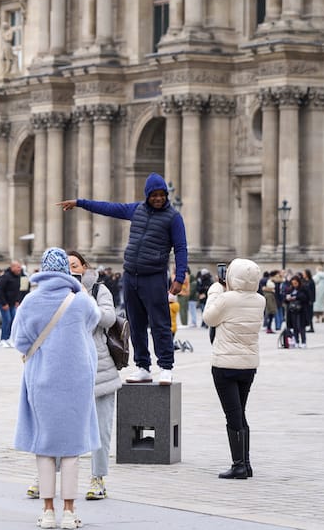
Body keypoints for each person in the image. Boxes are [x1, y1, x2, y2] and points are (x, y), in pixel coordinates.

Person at [58, 172, 188, 385]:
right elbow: (108, 208)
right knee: (135, 324)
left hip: (154, 276)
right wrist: (80, 203)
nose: (158, 198)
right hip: (131, 275)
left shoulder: (173, 217)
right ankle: (143, 366)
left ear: (166, 195)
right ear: (147, 195)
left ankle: (165, 367)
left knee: (160, 323)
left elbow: (181, 248)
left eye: (161, 195)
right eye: (153, 195)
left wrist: (179, 277)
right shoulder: (136, 210)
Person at [12, 248, 100, 530]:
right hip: (77, 382)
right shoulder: (80, 301)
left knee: (46, 448)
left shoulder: (30, 301)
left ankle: (48, 511)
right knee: (72, 450)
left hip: (42, 380)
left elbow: (20, 342)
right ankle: (71, 513)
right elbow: (94, 322)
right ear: (66, 270)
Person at [203, 259, 265, 479]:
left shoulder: (225, 299)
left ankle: (238, 464)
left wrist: (214, 292)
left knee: (232, 415)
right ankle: (246, 463)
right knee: (241, 412)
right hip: (248, 366)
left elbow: (209, 318)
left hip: (225, 365)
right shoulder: (260, 300)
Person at [71, 250, 119, 501]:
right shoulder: (57, 292)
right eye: (67, 266)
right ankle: (48, 476)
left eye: (75, 265)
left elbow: (109, 318)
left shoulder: (99, 290)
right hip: (69, 367)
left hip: (100, 366)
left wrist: (85, 296)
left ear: (84, 267)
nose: (72, 270)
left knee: (101, 428)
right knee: (63, 426)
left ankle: (98, 478)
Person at [0, 260, 23, 347]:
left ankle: (9, 338)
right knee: (7, 320)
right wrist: (4, 303)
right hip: (4, 303)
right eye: (18, 267)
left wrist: (17, 301)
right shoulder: (5, 277)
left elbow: (17, 290)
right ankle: (3, 339)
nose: (20, 268)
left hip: (12, 303)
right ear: (12, 267)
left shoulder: (18, 277)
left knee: (13, 321)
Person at [284, 275, 309, 348]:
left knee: (301, 327)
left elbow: (306, 298)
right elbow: (285, 299)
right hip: (292, 310)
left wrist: (296, 297)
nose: (294, 285)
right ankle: (296, 341)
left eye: (295, 283)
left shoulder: (303, 288)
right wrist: (288, 298)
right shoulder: (290, 289)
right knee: (294, 326)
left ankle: (303, 342)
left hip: (301, 310)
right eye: (293, 283)